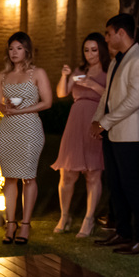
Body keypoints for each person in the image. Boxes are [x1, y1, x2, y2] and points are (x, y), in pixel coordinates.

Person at [91, 14, 139, 255]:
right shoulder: (116, 61)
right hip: (111, 131)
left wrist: (104, 122)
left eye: (108, 34)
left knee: (131, 185)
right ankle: (123, 231)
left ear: (121, 33)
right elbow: (107, 95)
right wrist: (97, 119)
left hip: (129, 132)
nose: (106, 38)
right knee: (115, 184)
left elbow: (134, 101)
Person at [0, 32, 51, 245]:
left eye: (18, 48)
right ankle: (10, 224)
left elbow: (47, 102)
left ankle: (25, 224)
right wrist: (4, 107)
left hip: (29, 129)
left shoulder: (38, 73)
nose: (14, 52)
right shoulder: (3, 75)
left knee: (28, 176)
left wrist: (22, 110)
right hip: (7, 130)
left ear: (27, 50)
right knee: (9, 177)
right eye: (11, 48)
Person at [51, 33, 109, 239]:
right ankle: (64, 216)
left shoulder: (108, 71)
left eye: (94, 50)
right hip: (75, 124)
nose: (90, 54)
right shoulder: (79, 71)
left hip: (94, 121)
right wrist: (65, 76)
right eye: (86, 50)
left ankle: (89, 219)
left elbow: (112, 96)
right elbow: (61, 93)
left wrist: (92, 85)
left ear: (101, 50)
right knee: (67, 173)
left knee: (93, 173)